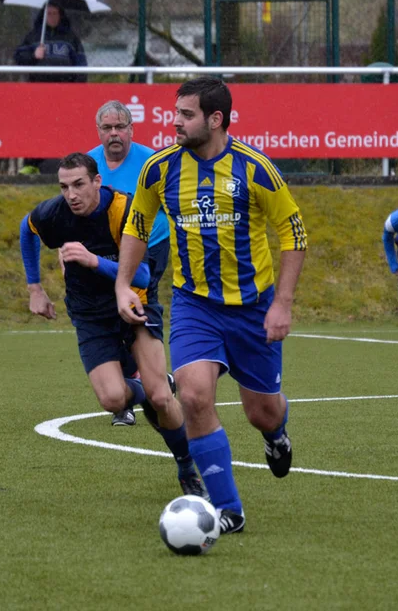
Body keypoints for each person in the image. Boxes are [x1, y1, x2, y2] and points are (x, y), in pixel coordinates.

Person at [114, 77, 308, 536]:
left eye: (186, 114)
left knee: (262, 412)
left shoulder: (255, 168)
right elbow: (137, 226)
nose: (174, 121)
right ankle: (227, 509)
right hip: (194, 304)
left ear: (215, 119)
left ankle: (276, 433)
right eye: (175, 111)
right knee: (195, 395)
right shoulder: (160, 169)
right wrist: (123, 284)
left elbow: (294, 234)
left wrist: (282, 303)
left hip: (253, 308)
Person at [19, 152, 206, 498]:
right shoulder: (54, 213)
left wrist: (93, 262)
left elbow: (145, 274)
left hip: (133, 304)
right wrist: (35, 288)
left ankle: (186, 469)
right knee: (112, 398)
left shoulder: (124, 210)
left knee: (163, 398)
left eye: (78, 185)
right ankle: (145, 392)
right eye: (63, 186)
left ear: (96, 182)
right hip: (90, 315)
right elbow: (26, 228)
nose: (71, 194)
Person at [88, 100, 165, 426]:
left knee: (132, 311)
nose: (114, 134)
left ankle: (142, 390)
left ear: (132, 129)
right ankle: (134, 388)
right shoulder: (88, 163)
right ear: (99, 131)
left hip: (150, 247)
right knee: (108, 313)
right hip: (105, 252)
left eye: (120, 127)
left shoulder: (151, 162)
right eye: (107, 128)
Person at [14, 1, 87, 175]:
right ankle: (31, 163)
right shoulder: (34, 37)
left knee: (62, 128)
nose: (52, 17)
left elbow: (81, 66)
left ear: (60, 16)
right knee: (35, 127)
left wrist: (77, 91)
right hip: (39, 94)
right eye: (49, 13)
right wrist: (33, 54)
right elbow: (18, 57)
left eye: (55, 13)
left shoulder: (71, 38)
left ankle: (67, 164)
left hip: (64, 95)